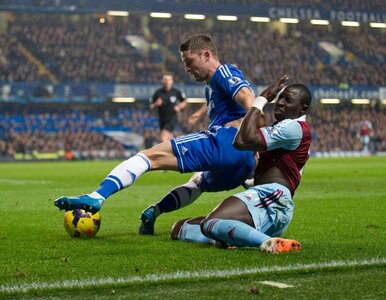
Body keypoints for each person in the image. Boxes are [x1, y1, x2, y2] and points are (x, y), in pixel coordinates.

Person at [54, 34, 259, 232]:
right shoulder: (211, 87)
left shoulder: (223, 72)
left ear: (206, 55)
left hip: (228, 142)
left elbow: (249, 98)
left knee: (146, 157)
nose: (187, 68)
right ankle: (155, 211)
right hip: (240, 163)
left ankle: (97, 196)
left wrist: (255, 140)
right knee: (197, 183)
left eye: (189, 61)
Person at [170, 80, 312, 253]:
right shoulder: (289, 129)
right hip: (271, 205)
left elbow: (241, 141)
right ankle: (228, 239)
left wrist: (261, 99)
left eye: (287, 100)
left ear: (302, 109)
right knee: (179, 227)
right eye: (280, 97)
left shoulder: (293, 127)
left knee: (209, 224)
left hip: (271, 198)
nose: (280, 102)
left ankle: (269, 243)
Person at [150, 73, 187, 142]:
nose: (167, 82)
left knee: (163, 139)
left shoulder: (176, 92)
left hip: (171, 119)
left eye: (169, 80)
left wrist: (179, 107)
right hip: (162, 120)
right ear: (162, 81)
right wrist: (156, 104)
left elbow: (184, 102)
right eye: (165, 80)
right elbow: (151, 106)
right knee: (168, 140)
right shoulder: (158, 92)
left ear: (172, 81)